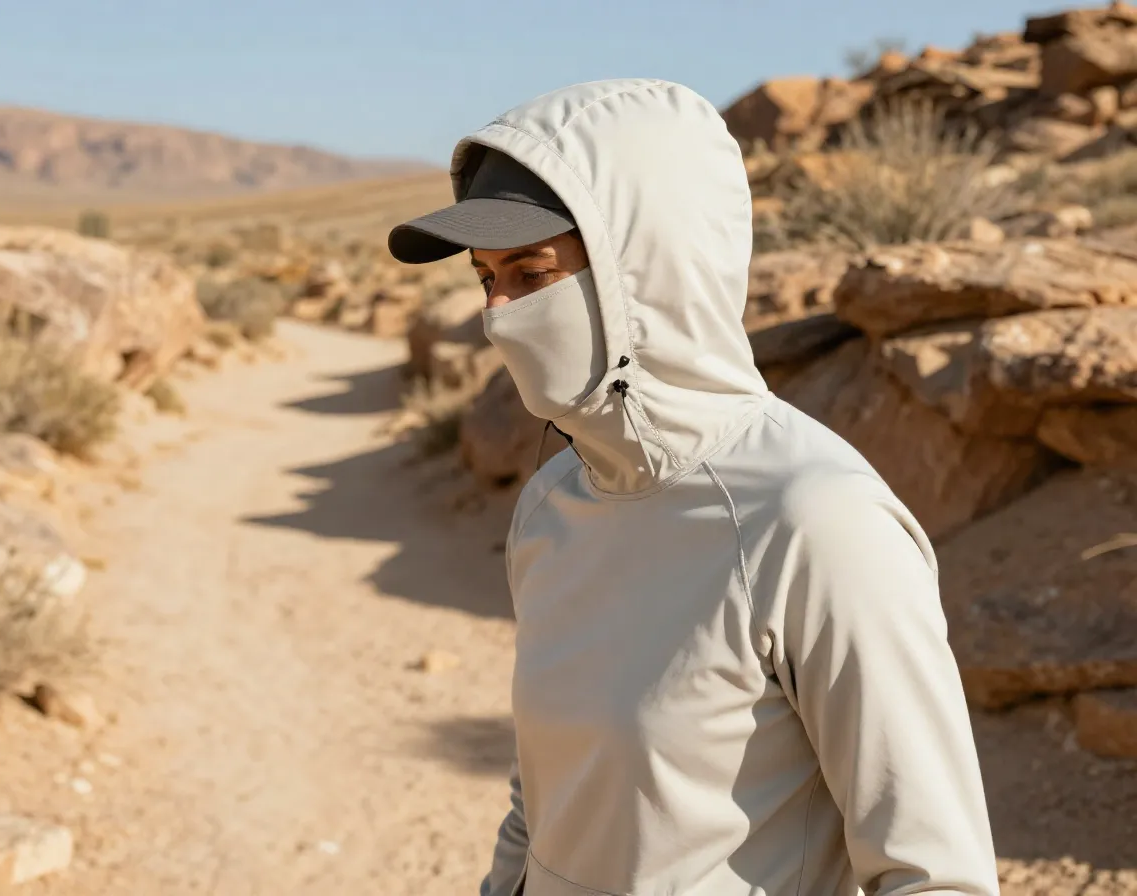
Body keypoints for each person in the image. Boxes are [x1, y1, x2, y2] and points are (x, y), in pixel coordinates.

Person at [388, 79, 998, 896]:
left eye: (530, 275)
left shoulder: (816, 517)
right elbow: (543, 796)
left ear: (642, 267)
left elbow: (937, 873)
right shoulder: (551, 506)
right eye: (485, 279)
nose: (499, 314)